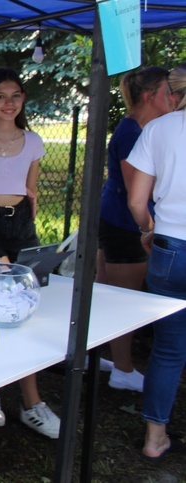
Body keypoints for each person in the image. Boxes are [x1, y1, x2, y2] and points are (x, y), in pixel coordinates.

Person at [0, 67, 61, 439]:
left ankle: (30, 401)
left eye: (16, 95)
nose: (9, 103)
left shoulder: (33, 141)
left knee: (26, 305)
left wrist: (27, 231)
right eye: (0, 95)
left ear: (23, 100)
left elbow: (31, 191)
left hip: (20, 224)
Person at [96, 66, 174, 392]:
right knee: (123, 301)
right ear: (149, 95)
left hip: (117, 219)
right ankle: (123, 369)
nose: (173, 97)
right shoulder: (132, 133)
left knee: (105, 294)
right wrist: (150, 227)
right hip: (126, 225)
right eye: (168, 91)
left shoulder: (140, 128)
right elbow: (135, 191)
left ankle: (103, 357)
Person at [126, 65, 186, 463]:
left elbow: (135, 201)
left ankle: (155, 435)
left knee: (167, 348)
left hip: (170, 246)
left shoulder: (160, 129)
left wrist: (149, 230)